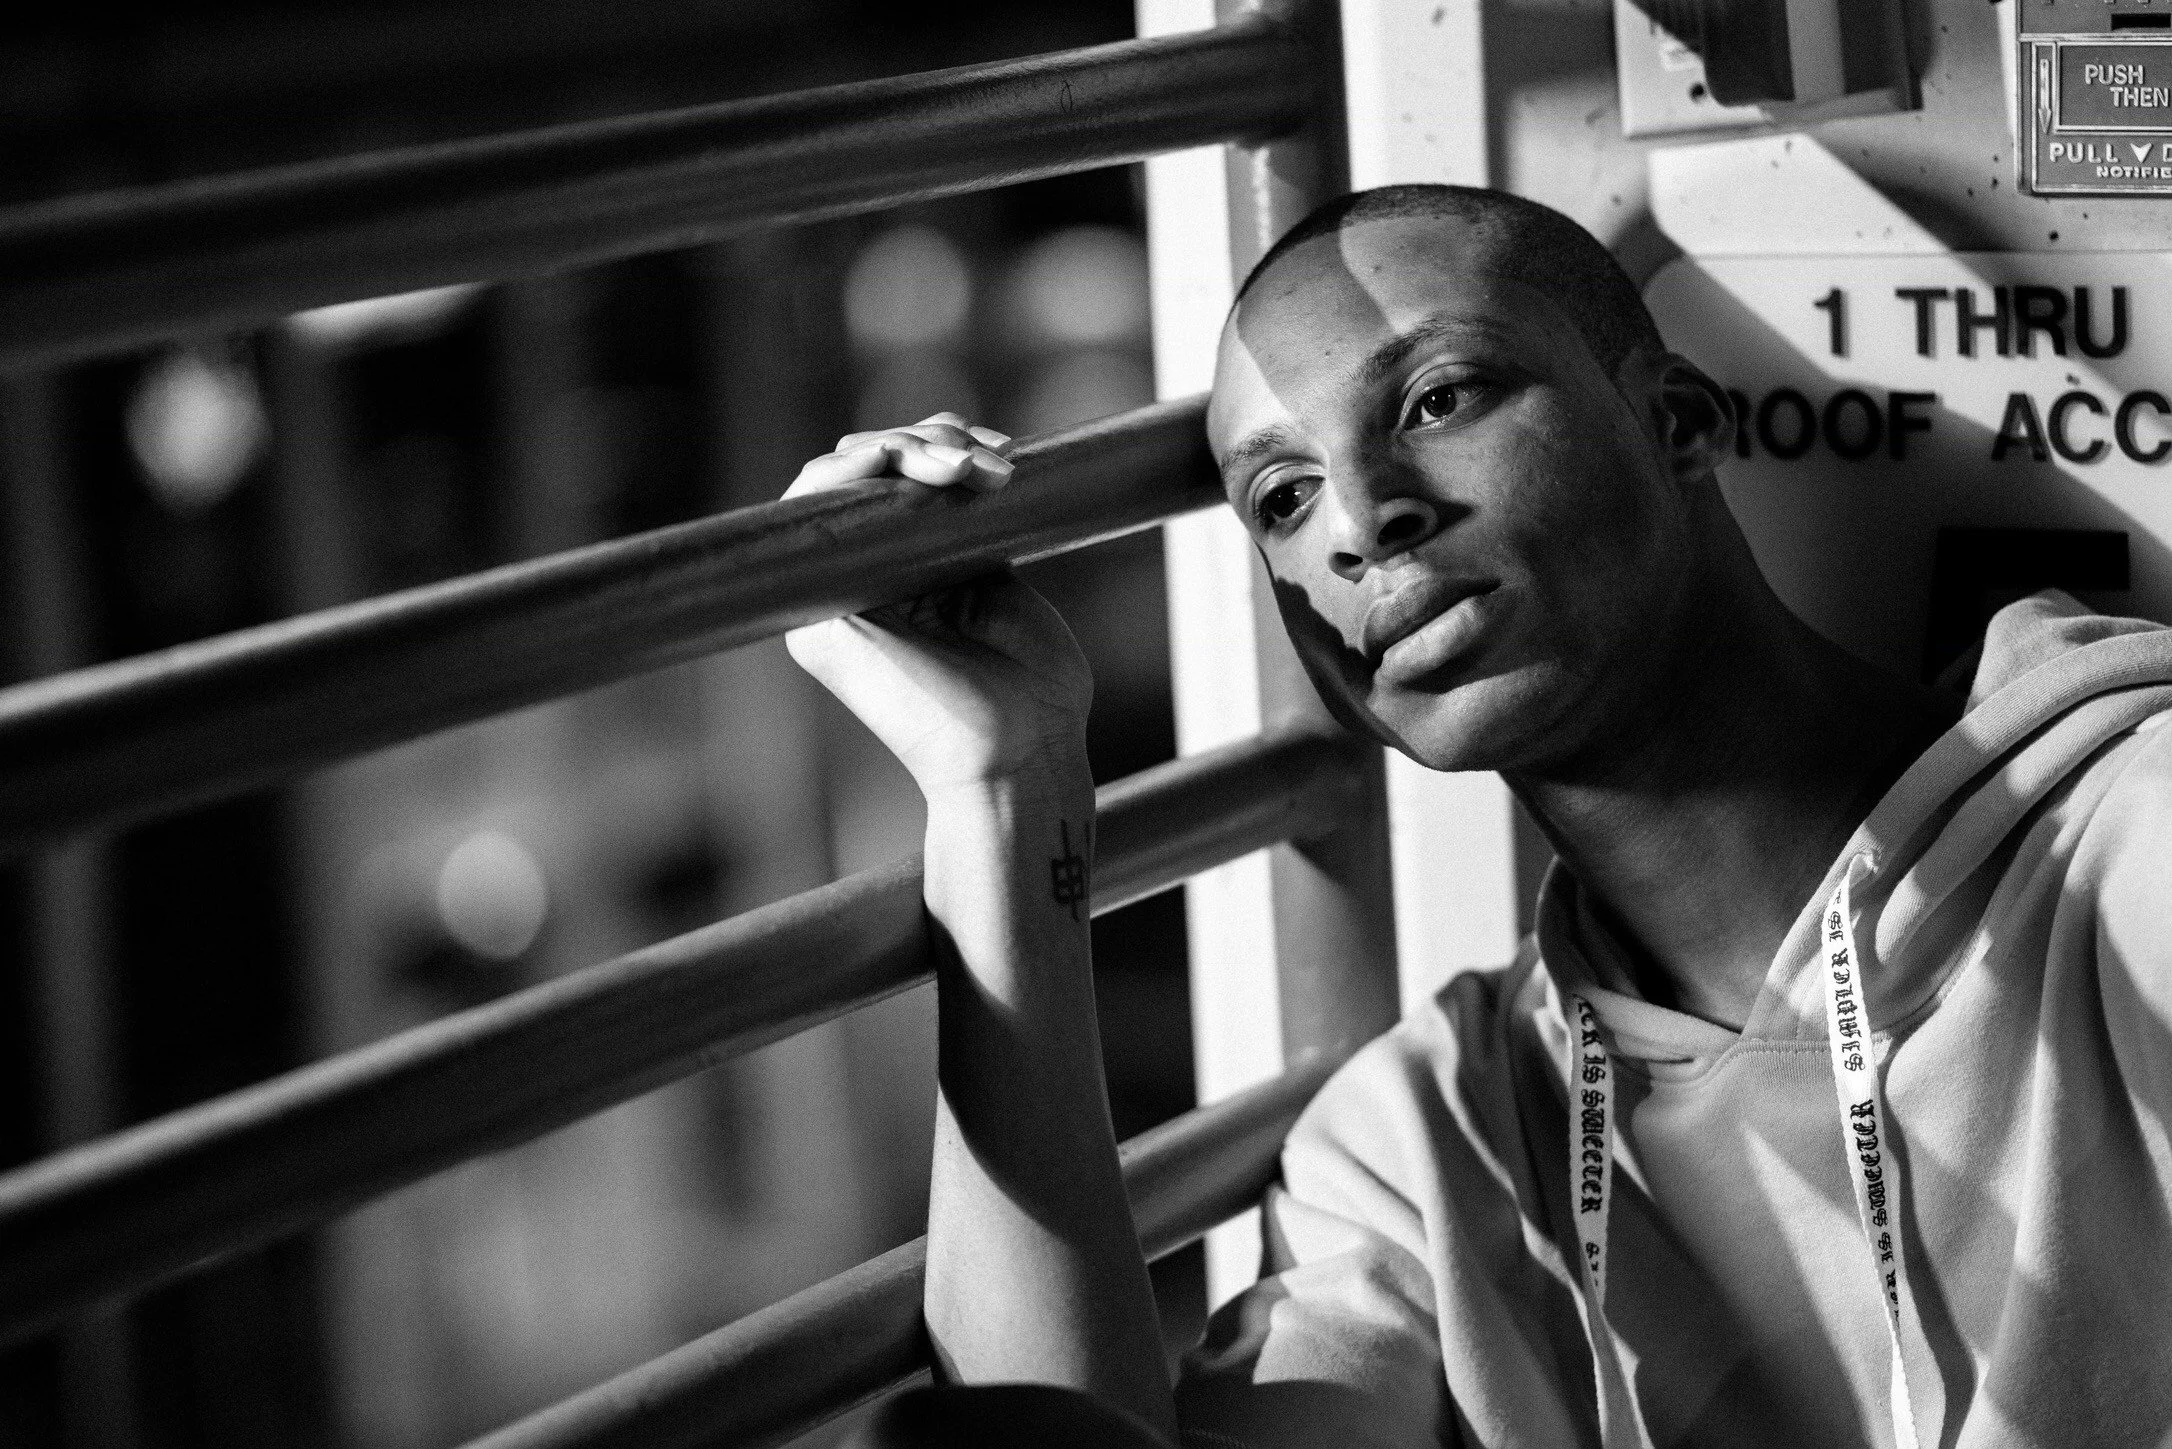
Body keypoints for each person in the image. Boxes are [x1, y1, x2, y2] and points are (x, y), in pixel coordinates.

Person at [786, 185, 2172, 1448]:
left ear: (1677, 422)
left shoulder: (2135, 845)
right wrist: (1008, 787)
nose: (1362, 521)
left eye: (1439, 401)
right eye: (1282, 497)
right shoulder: (1423, 1140)